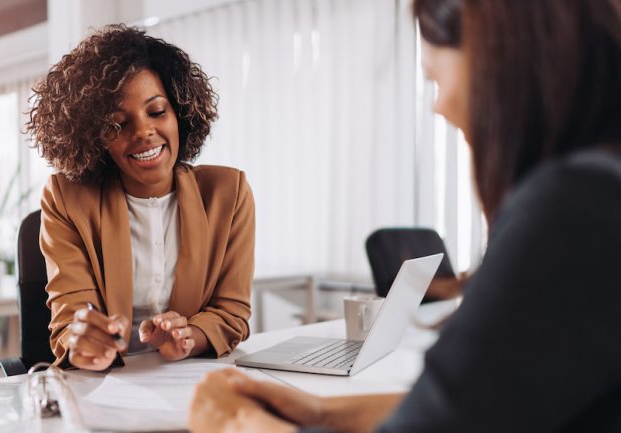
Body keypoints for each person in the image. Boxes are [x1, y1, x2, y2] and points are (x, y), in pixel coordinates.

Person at [189, 0, 621, 431]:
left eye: (435, 79)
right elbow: (471, 407)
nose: (440, 106)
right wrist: (320, 411)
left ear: (502, 60)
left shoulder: (573, 205)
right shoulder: (598, 189)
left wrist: (235, 423)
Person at [26, 25, 255, 371]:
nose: (144, 132)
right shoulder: (66, 198)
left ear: (179, 112)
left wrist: (189, 338)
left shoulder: (228, 193)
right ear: (95, 138)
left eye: (157, 111)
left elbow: (231, 312)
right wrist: (84, 341)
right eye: (118, 124)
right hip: (102, 388)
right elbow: (70, 318)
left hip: (188, 381)